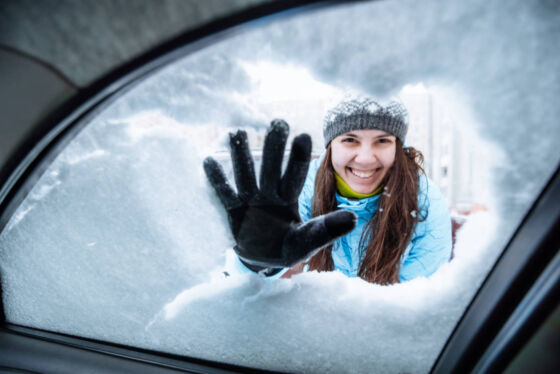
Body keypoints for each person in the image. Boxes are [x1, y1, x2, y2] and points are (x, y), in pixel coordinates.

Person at [204, 97, 452, 284]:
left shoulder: (424, 204)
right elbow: (257, 293)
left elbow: (416, 305)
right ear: (331, 146)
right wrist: (255, 263)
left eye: (383, 140)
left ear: (397, 146)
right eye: (350, 140)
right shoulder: (301, 189)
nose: (365, 159)